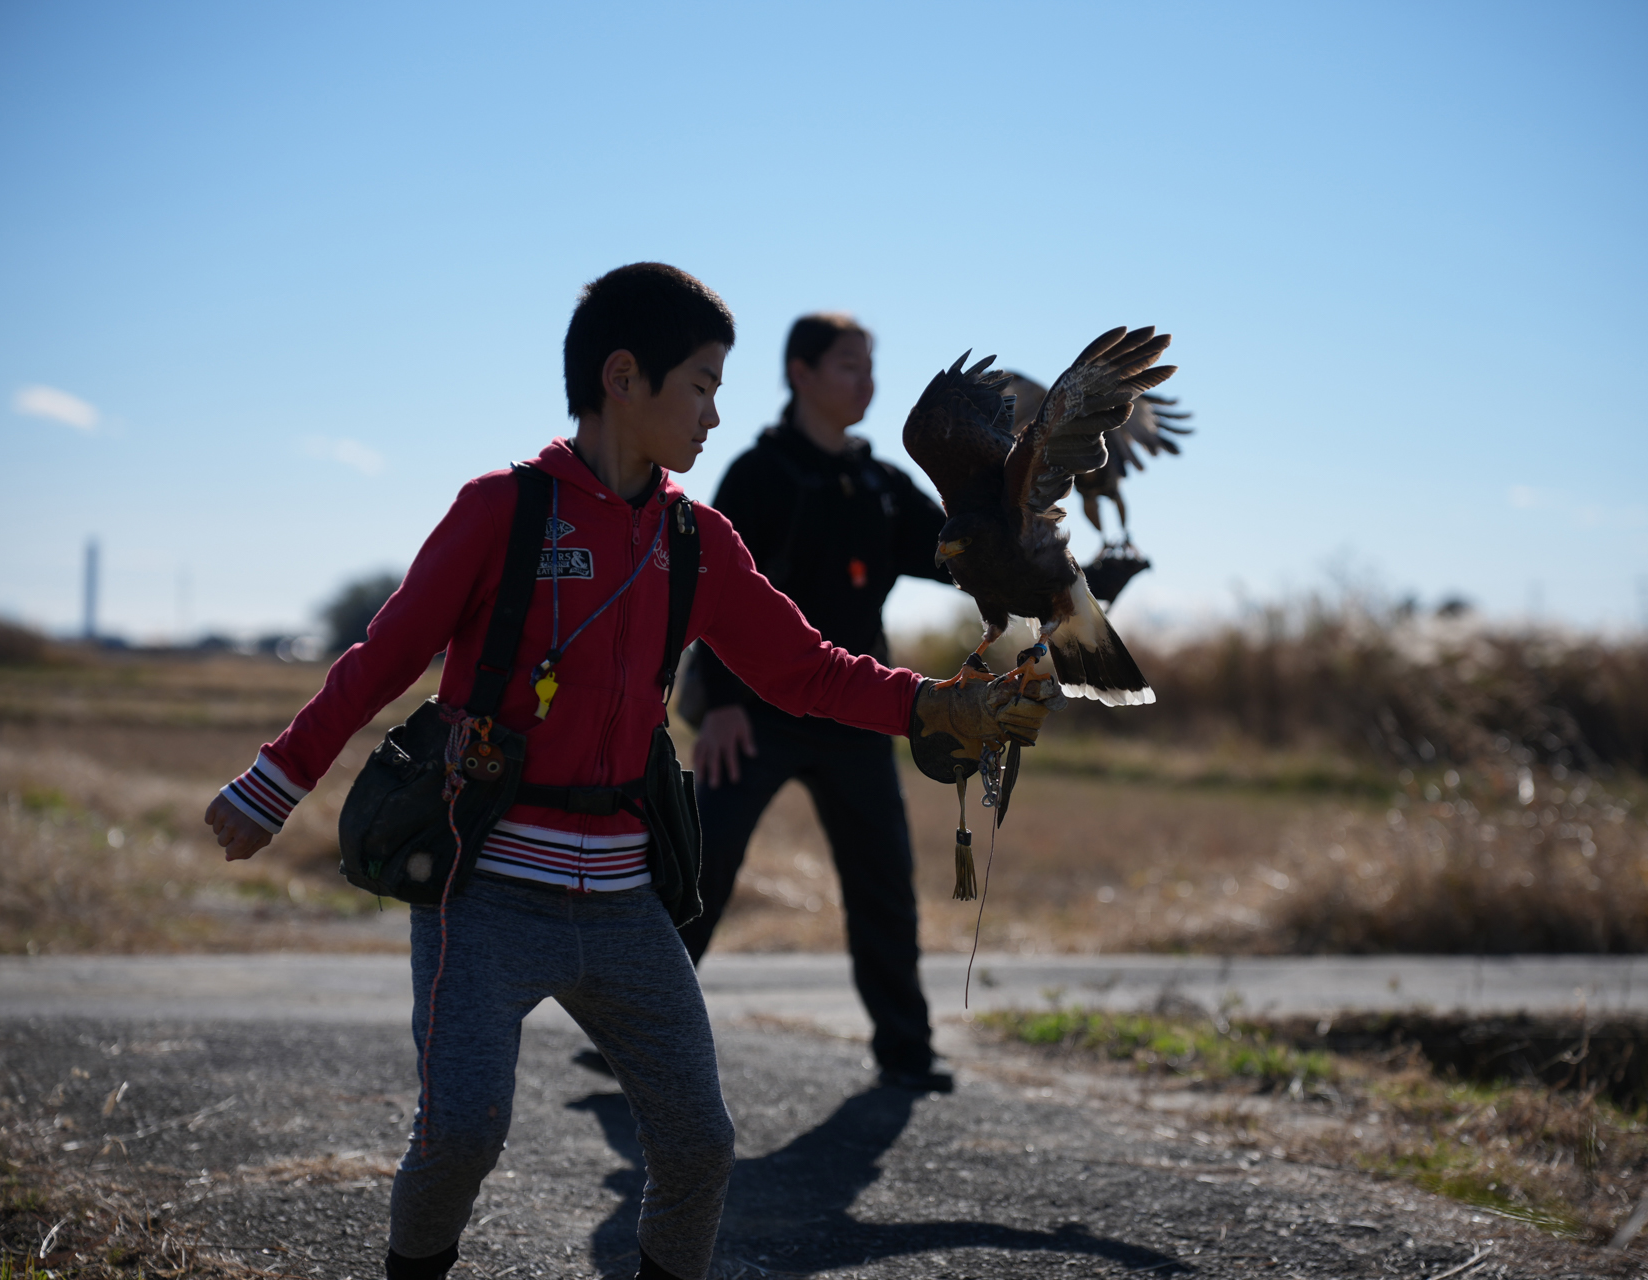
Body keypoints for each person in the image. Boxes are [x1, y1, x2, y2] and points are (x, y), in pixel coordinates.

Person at [201, 264, 1057, 1280]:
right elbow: (379, 659)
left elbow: (804, 667)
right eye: (700, 382)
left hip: (624, 903)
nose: (715, 410)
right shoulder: (499, 511)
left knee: (700, 1146)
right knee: (462, 1132)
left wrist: (934, 702)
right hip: (482, 889)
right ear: (622, 375)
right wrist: (273, 781)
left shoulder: (698, 539)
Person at [680, 314, 959, 1092]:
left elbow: (960, 557)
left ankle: (906, 1051)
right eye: (847, 366)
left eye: (870, 367)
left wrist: (1071, 579)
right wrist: (724, 705)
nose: (866, 382)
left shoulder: (879, 483)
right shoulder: (757, 475)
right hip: (752, 718)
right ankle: (634, 1033)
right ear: (799, 372)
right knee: (699, 874)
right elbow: (710, 597)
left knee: (884, 885)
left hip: (857, 714)